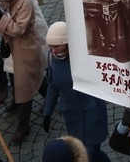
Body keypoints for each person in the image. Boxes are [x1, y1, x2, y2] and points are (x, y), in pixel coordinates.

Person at [0, 0, 48, 142]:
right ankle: (51, 94)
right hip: (13, 46)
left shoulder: (25, 1)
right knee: (33, 77)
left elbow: (18, 29)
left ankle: (23, 124)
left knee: (24, 84)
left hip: (26, 47)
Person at [43, 22, 111, 162]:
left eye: (57, 46)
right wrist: (47, 112)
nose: (53, 51)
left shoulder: (85, 56)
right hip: (72, 117)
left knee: (89, 154)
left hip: (92, 114)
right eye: (51, 46)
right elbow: (52, 86)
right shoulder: (52, 59)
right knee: (89, 154)